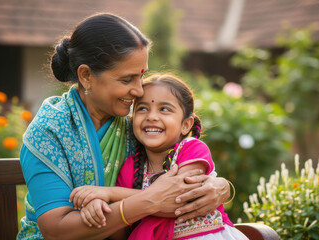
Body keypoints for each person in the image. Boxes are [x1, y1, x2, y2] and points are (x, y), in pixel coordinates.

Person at [17, 13, 231, 240]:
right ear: (86, 76)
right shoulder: (49, 131)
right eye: (127, 80)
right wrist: (149, 201)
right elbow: (56, 229)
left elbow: (182, 159)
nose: (139, 91)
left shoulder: (136, 121)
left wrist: (221, 186)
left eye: (141, 77)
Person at [70, 74, 247, 240]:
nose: (152, 117)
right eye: (143, 109)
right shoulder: (130, 166)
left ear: (186, 125)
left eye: (164, 109)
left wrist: (108, 193)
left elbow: (180, 200)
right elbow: (120, 233)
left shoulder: (192, 149)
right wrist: (99, 208)